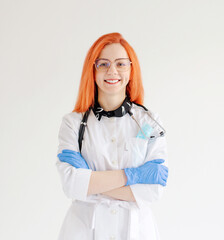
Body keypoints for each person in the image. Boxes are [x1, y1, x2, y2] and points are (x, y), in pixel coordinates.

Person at [56, 32, 169, 240]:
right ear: (93, 69)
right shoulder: (73, 124)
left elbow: (152, 190)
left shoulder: (149, 122)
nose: (112, 71)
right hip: (83, 230)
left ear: (131, 69)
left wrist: (91, 182)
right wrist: (133, 176)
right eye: (103, 64)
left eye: (121, 64)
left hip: (136, 231)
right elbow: (71, 184)